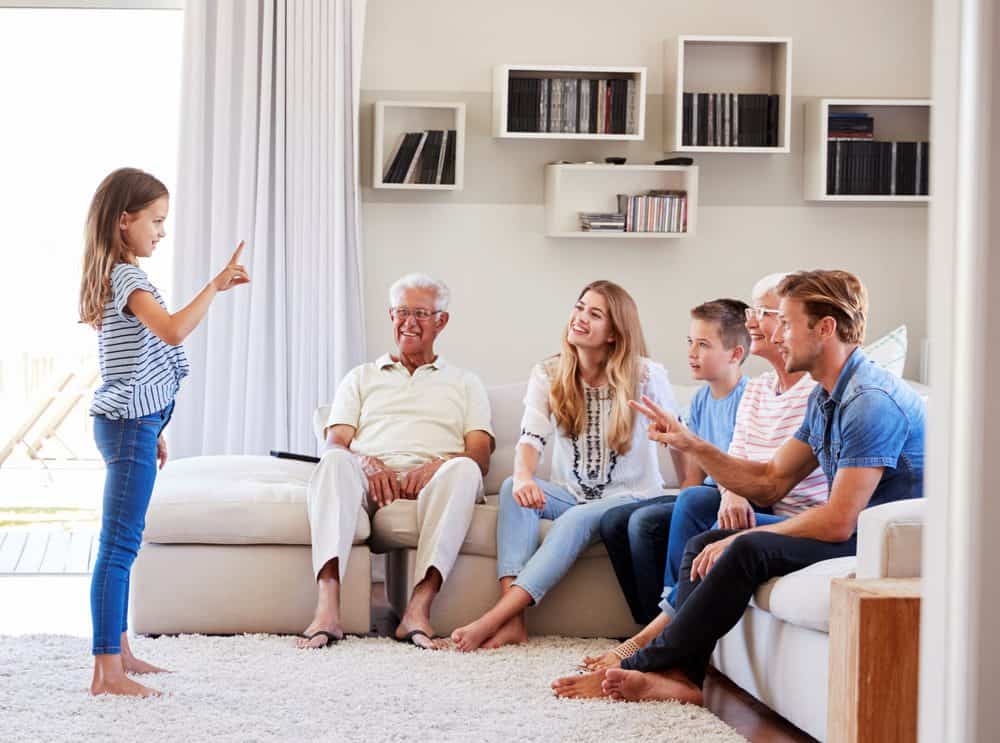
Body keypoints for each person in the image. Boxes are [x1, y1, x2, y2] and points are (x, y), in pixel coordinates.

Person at [554, 269, 925, 704]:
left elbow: (840, 522)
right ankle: (683, 676)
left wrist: (746, 536)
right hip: (851, 530)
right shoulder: (827, 395)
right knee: (706, 542)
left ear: (824, 329)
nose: (776, 335)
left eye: (786, 323)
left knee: (743, 547)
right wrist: (691, 443)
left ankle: (644, 662)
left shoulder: (869, 401)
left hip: (879, 542)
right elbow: (770, 481)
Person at [566, 273, 828, 686]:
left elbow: (774, 481)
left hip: (768, 503)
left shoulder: (819, 395)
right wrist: (719, 477)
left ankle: (661, 637)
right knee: (636, 518)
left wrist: (728, 485)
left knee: (679, 512)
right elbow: (731, 462)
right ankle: (661, 630)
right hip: (743, 494)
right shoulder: (758, 390)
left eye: (763, 313)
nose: (753, 319)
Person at [80, 167, 250, 697]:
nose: (161, 231)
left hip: (135, 424)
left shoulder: (117, 272)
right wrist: (216, 285)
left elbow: (132, 360)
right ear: (124, 220)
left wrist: (153, 425)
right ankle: (105, 671)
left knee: (122, 546)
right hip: (129, 425)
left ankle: (121, 651)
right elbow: (172, 331)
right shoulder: (127, 277)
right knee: (119, 547)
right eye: (156, 221)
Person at [449, 281, 677, 652]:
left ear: (615, 334)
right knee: (511, 489)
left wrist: (690, 492)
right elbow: (530, 439)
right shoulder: (550, 373)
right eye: (580, 307)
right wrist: (523, 476)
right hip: (572, 495)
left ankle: (493, 618)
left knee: (575, 519)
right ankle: (514, 622)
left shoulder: (646, 375)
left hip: (632, 498)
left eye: (595, 313)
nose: (580, 318)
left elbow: (676, 437)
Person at [298, 273, 494, 650]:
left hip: (434, 481)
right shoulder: (360, 377)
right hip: (370, 477)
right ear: (390, 316)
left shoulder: (465, 382)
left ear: (441, 321)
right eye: (402, 312)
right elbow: (335, 442)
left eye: (421, 313)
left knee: (465, 469)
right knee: (335, 461)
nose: (409, 322)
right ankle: (327, 611)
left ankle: (417, 611)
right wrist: (368, 463)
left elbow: (480, 454)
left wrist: (435, 465)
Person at [599, 299, 750, 625]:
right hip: (704, 496)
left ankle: (670, 624)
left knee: (644, 523)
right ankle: (648, 622)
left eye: (704, 345)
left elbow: (745, 471)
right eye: (690, 342)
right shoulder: (700, 401)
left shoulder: (749, 399)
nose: (692, 353)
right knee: (613, 521)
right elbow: (691, 480)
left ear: (735, 354)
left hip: (732, 497)